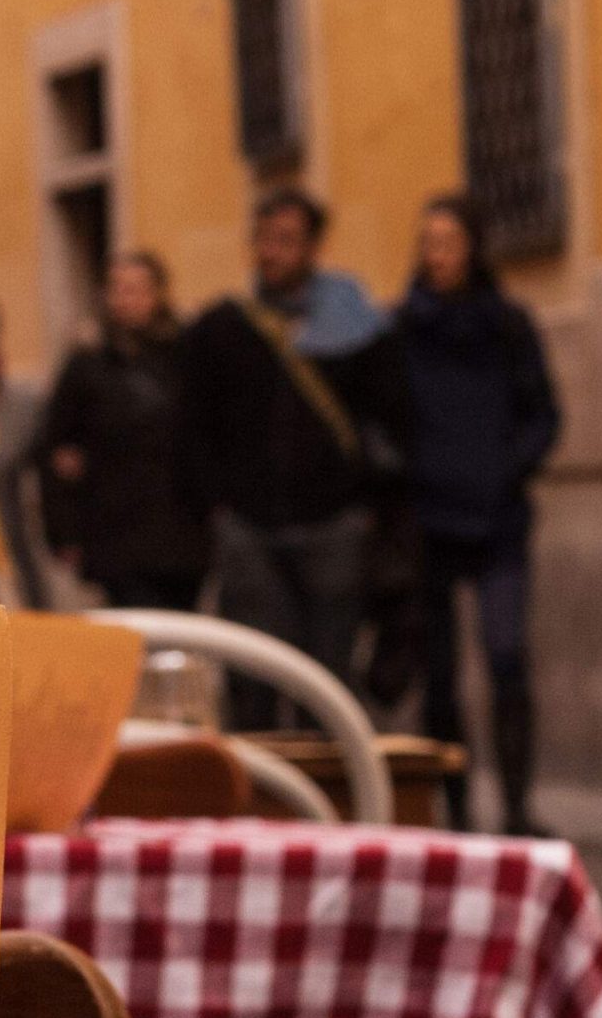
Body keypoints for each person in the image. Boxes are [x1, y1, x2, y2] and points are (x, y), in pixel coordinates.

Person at [177, 188, 396, 725]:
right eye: (264, 239)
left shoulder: (357, 329)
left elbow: (386, 420)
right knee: (254, 680)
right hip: (250, 529)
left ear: (313, 247)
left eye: (286, 240)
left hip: (333, 526)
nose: (271, 252)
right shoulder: (223, 330)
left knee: (326, 683)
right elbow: (193, 425)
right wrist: (218, 508)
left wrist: (365, 506)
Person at [392, 193, 562, 835]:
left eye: (448, 242)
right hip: (428, 525)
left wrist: (505, 467)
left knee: (508, 654)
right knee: (439, 679)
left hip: (496, 521)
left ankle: (516, 804)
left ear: (472, 249)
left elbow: (544, 415)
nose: (437, 256)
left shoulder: (508, 326)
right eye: (428, 243)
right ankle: (455, 808)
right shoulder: (403, 329)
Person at [26, 252, 207, 609]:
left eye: (136, 290)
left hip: (182, 535)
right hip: (116, 535)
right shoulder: (87, 363)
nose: (126, 300)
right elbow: (55, 448)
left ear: (158, 295)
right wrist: (63, 532)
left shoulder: (186, 356)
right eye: (118, 290)